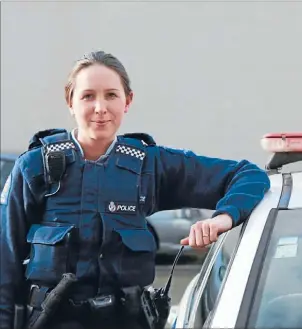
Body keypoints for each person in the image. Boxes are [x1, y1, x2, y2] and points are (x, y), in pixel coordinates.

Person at [0, 51, 270, 329]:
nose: (100, 107)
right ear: (70, 101)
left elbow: (248, 175)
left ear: (128, 101)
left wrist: (222, 218)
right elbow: (4, 262)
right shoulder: (35, 167)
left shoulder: (151, 165)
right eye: (88, 96)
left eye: (111, 95)